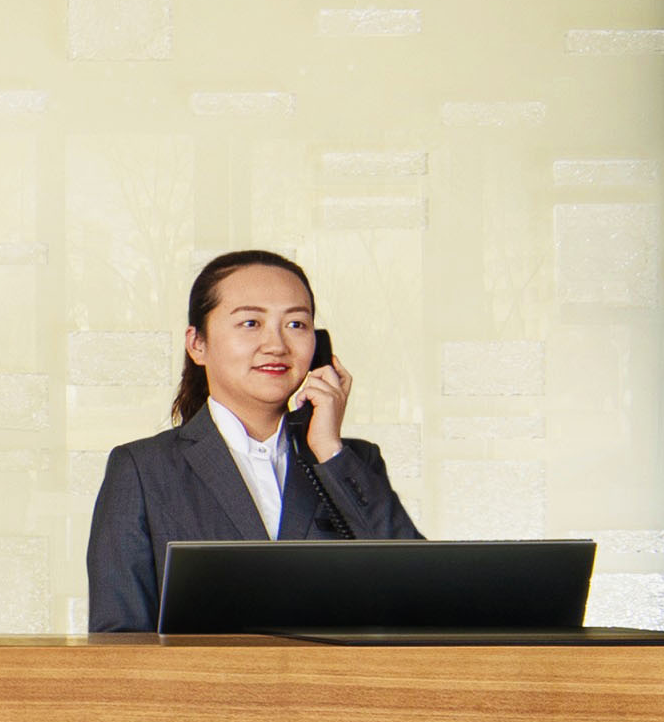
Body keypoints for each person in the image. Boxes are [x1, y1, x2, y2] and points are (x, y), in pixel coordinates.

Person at [80, 246, 424, 633]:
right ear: (197, 344)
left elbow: (423, 598)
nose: (276, 345)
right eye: (250, 323)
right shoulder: (143, 470)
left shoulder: (351, 463)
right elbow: (119, 638)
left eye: (296, 324)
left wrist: (329, 450)